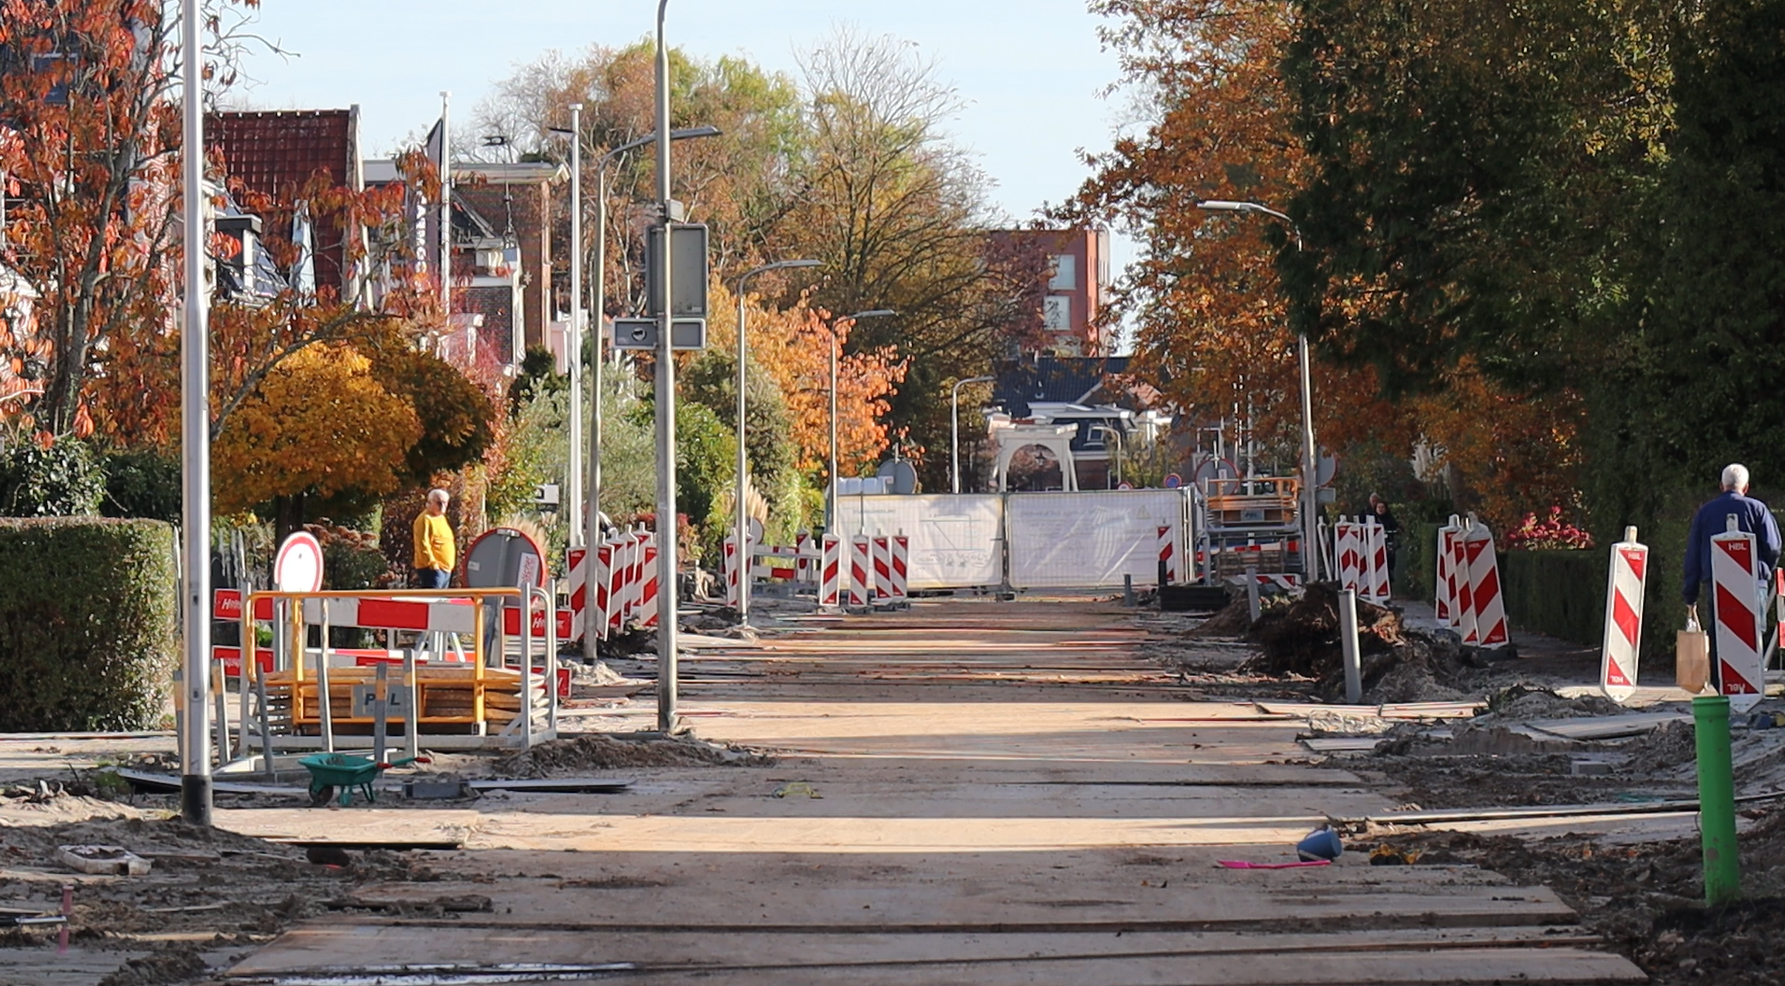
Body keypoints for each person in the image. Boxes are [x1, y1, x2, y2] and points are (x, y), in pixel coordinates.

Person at [1683, 464, 1781, 653]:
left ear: (1722, 486)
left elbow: (1693, 555)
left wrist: (1690, 594)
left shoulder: (1705, 513)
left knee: (1721, 639)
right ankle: (1753, 679)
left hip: (1717, 584)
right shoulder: (1758, 509)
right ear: (1745, 487)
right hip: (1752, 582)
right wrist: (1762, 570)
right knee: (1753, 639)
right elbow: (1773, 547)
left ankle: (1721, 681)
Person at [412, 488, 456, 589]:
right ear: (430, 502)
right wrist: (432, 564)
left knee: (440, 602)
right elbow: (422, 544)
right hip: (433, 570)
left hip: (445, 569)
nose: (443, 507)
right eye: (439, 503)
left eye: (445, 503)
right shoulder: (425, 519)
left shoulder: (441, 518)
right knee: (432, 601)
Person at [1368, 492, 1401, 582]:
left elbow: (1395, 526)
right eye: (1379, 507)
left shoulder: (1390, 518)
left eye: (1383, 507)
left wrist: (1397, 530)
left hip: (1388, 543)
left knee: (1390, 557)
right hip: (1375, 543)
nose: (1381, 509)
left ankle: (1390, 573)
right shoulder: (1372, 518)